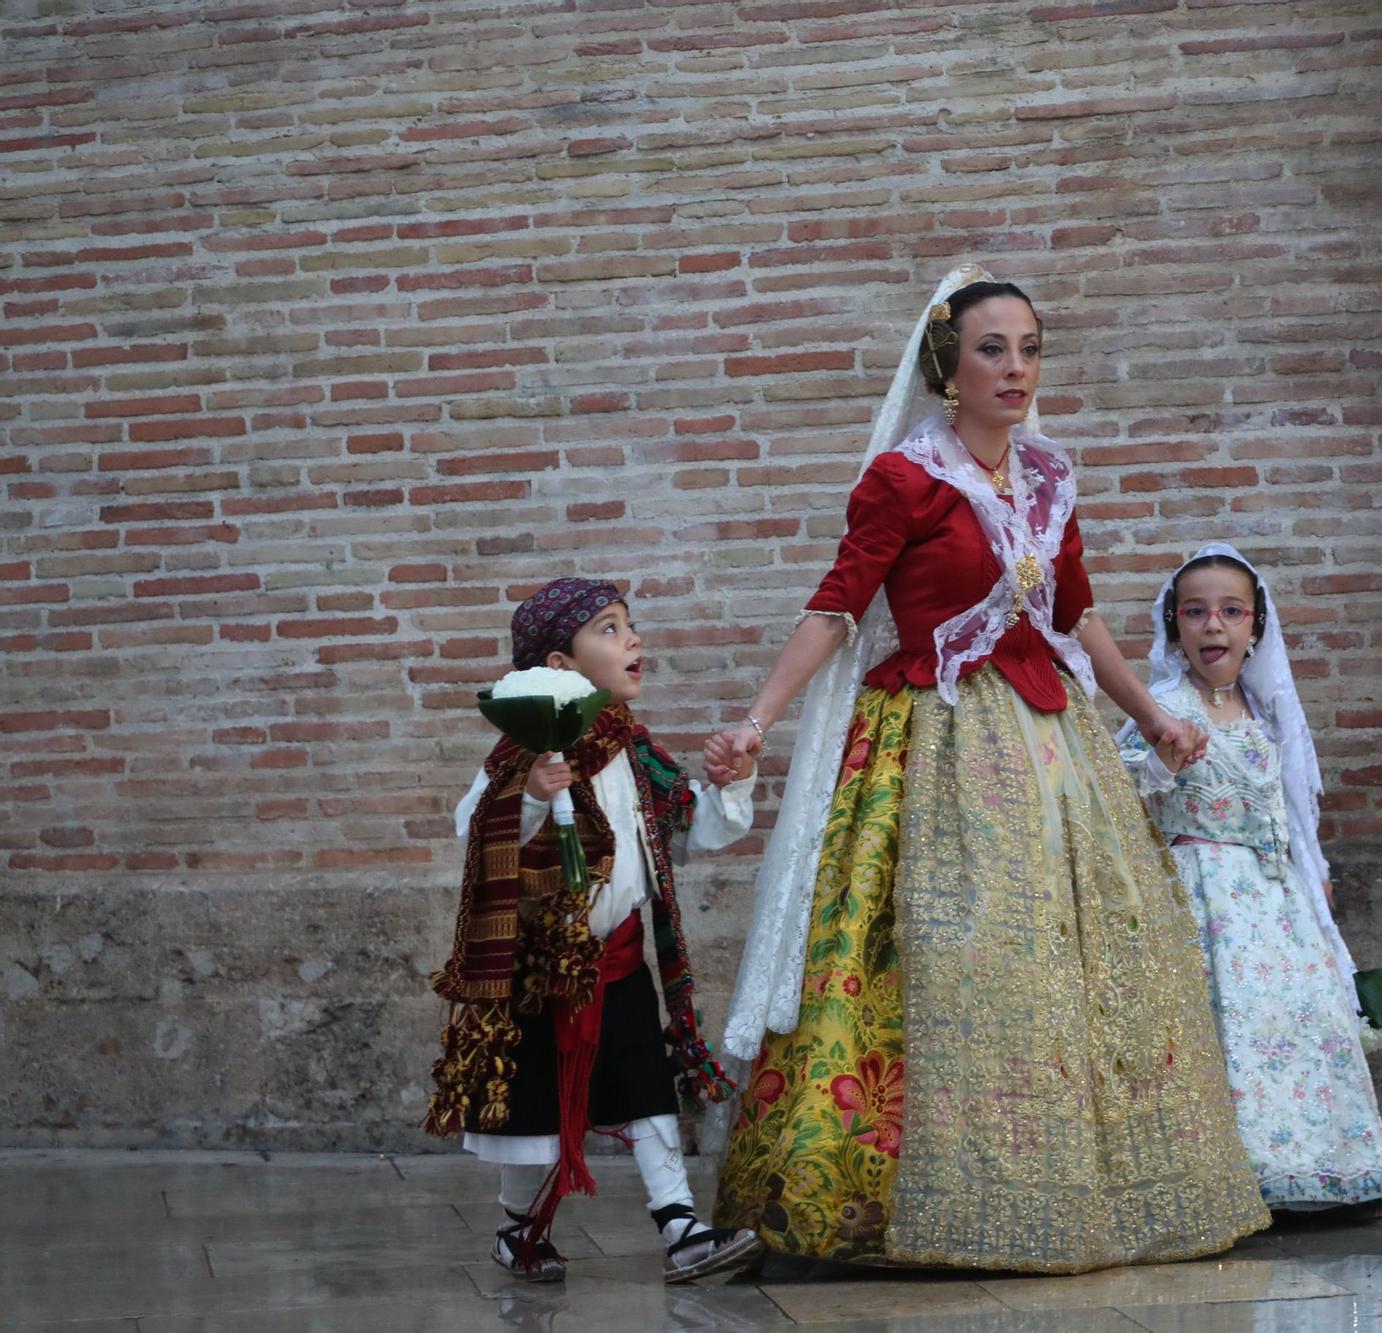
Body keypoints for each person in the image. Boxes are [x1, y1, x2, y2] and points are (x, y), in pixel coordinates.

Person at [699, 265, 1269, 1273]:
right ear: (946, 367)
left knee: (1066, 957)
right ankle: (899, 1192)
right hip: (934, 739)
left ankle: (1066, 1191)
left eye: (1029, 349)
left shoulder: (1048, 477)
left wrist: (1154, 717)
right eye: (991, 350)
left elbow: (1076, 614)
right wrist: (756, 720)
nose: (1014, 368)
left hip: (1050, 742)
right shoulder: (904, 479)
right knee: (947, 952)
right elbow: (836, 607)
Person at [424, 577, 764, 1282]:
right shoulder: (522, 756)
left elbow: (691, 828)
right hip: (541, 969)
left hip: (618, 960)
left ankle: (680, 1226)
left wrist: (731, 782)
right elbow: (474, 826)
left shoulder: (633, 749)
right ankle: (518, 1228)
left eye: (629, 625)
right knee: (536, 1115)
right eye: (609, 629)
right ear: (558, 667)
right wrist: (527, 797)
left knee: (646, 1085)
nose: (632, 639)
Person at [1118, 545, 1382, 1212]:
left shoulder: (1268, 712)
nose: (1213, 625)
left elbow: (1291, 806)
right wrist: (1162, 758)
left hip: (1276, 901)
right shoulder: (1161, 705)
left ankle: (1318, 1168)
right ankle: (1231, 1177)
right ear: (1175, 625)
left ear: (1255, 627)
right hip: (1201, 895)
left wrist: (1314, 875)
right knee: (1227, 1031)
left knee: (1295, 1024)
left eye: (1230, 611)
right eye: (1196, 611)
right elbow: (1118, 789)